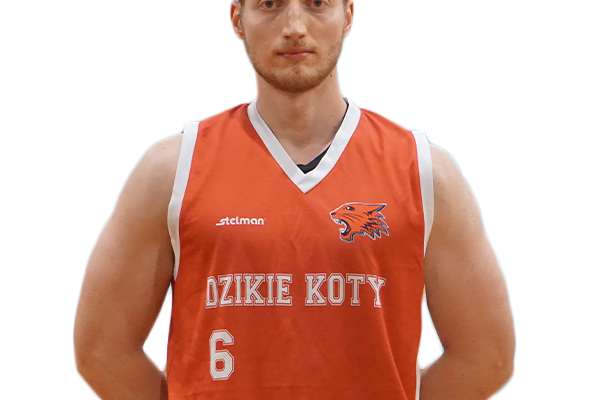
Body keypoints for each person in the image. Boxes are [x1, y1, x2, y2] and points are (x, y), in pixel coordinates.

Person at [72, 1, 515, 399]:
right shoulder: (171, 169)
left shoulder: (425, 170)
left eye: (317, 3)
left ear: (348, 15)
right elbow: (100, 352)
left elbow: (487, 358)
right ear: (237, 19)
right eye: (270, 4)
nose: (295, 27)